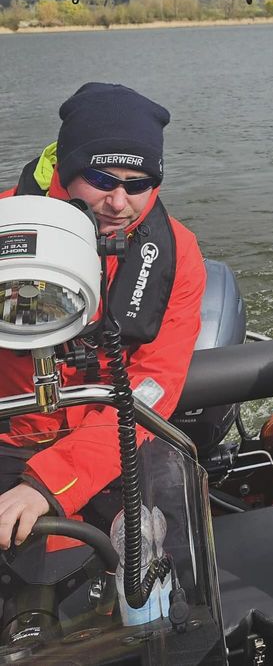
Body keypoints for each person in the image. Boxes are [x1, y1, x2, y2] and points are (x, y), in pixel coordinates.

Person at [0, 82, 206, 549]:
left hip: (111, 436)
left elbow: (153, 385)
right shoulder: (4, 224)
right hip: (10, 434)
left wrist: (46, 486)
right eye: (102, 180)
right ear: (69, 170)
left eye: (138, 185)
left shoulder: (179, 255)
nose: (118, 202)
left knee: (168, 551)